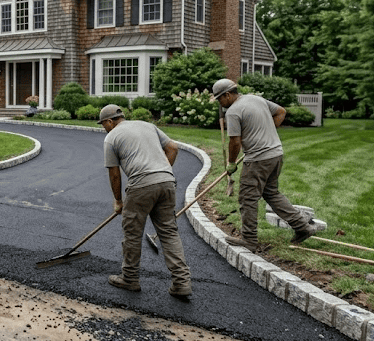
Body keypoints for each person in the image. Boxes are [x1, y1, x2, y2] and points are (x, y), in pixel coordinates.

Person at [212, 78, 317, 252]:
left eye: (219, 99)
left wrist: (231, 163)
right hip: (276, 154)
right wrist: (267, 132)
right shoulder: (256, 99)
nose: (219, 103)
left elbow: (235, 142)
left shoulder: (233, 112)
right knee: (271, 193)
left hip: (258, 160)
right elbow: (281, 112)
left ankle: (249, 239)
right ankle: (303, 227)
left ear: (228, 95)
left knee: (248, 198)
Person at [100, 104, 192, 298]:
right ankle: (182, 282)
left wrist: (118, 201)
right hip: (167, 182)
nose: (103, 128)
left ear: (110, 122)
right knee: (168, 232)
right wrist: (162, 171)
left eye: (103, 125)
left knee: (132, 233)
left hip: (140, 186)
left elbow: (114, 174)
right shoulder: (147, 125)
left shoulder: (111, 137)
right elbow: (173, 147)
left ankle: (130, 278)